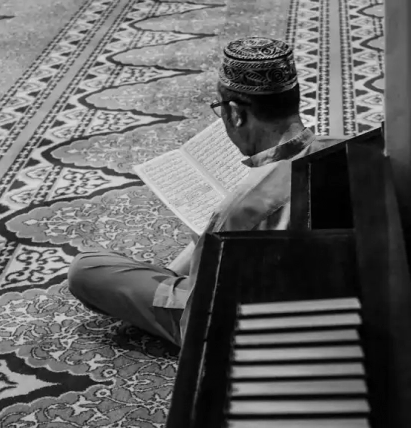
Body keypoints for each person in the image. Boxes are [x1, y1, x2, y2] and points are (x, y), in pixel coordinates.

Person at [67, 36, 344, 347]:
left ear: (235, 114)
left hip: (250, 323)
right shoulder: (346, 152)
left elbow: (200, 309)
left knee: (87, 269)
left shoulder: (244, 205)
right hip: (339, 301)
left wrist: (205, 238)